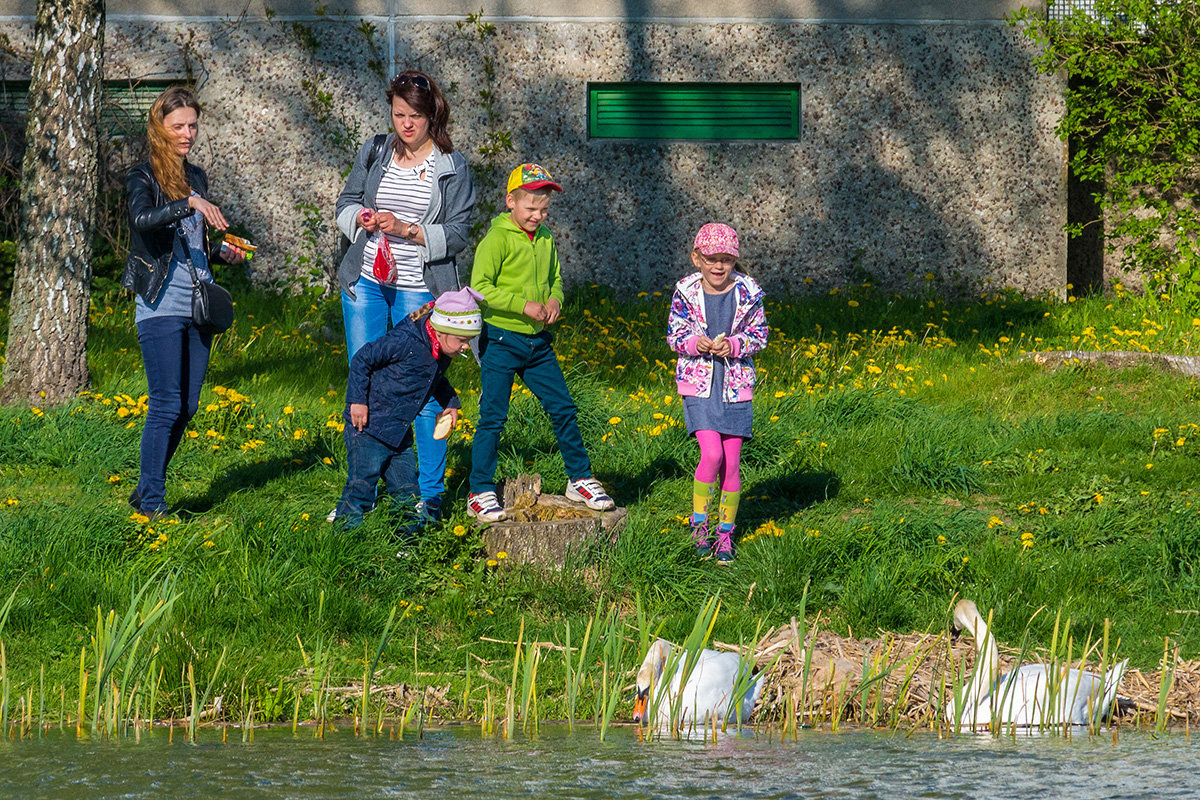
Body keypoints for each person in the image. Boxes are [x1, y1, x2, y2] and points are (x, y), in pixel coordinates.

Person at [334, 69, 475, 524]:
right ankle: (361, 493)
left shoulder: (452, 167)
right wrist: (362, 219)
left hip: (420, 288)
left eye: (415, 116)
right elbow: (345, 203)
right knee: (369, 381)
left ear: (431, 115)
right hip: (368, 282)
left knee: (425, 390)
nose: (406, 125)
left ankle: (427, 496)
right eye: (399, 115)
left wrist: (409, 230)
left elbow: (458, 235)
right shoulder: (375, 150)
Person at [120, 86, 246, 519]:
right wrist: (187, 203)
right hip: (159, 304)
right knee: (166, 403)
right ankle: (153, 503)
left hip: (199, 305)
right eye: (178, 126)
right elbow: (142, 219)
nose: (188, 133)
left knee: (188, 406)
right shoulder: (143, 175)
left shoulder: (198, 176)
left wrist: (219, 253)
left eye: (193, 125)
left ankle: (144, 487)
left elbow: (192, 244)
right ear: (159, 127)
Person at [466, 163, 615, 522]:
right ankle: (480, 490)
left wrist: (554, 302)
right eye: (530, 208)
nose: (537, 215)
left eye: (544, 208)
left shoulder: (546, 238)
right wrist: (522, 305)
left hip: (537, 344)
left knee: (563, 407)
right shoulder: (496, 239)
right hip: (501, 339)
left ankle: (578, 478)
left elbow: (556, 279)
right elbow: (480, 287)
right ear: (510, 202)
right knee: (493, 417)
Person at [335, 287, 482, 532]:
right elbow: (362, 359)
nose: (465, 347)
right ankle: (343, 540)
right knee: (360, 487)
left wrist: (450, 403)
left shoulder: (438, 352)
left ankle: (405, 546)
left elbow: (433, 379)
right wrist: (357, 400)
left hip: (399, 436)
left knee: (407, 494)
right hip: (368, 428)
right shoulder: (405, 341)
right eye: (463, 340)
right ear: (443, 330)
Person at [666, 223, 768, 563]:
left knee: (733, 462)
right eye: (711, 259)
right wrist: (697, 344)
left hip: (736, 385)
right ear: (697, 258)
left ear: (735, 261)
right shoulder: (685, 292)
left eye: (726, 259)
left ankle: (725, 537)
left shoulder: (749, 292)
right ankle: (699, 529)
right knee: (711, 456)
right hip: (698, 384)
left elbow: (760, 335)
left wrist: (736, 345)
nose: (718, 266)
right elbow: (674, 335)